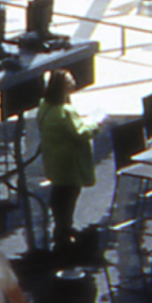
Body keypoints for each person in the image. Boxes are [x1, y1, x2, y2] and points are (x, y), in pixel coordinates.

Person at [38, 70, 98, 254]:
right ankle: (65, 228)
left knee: (60, 194)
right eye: (70, 81)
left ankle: (61, 225)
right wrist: (96, 124)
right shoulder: (66, 111)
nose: (73, 82)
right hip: (70, 162)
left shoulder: (45, 105)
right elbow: (81, 133)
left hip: (54, 159)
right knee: (70, 194)